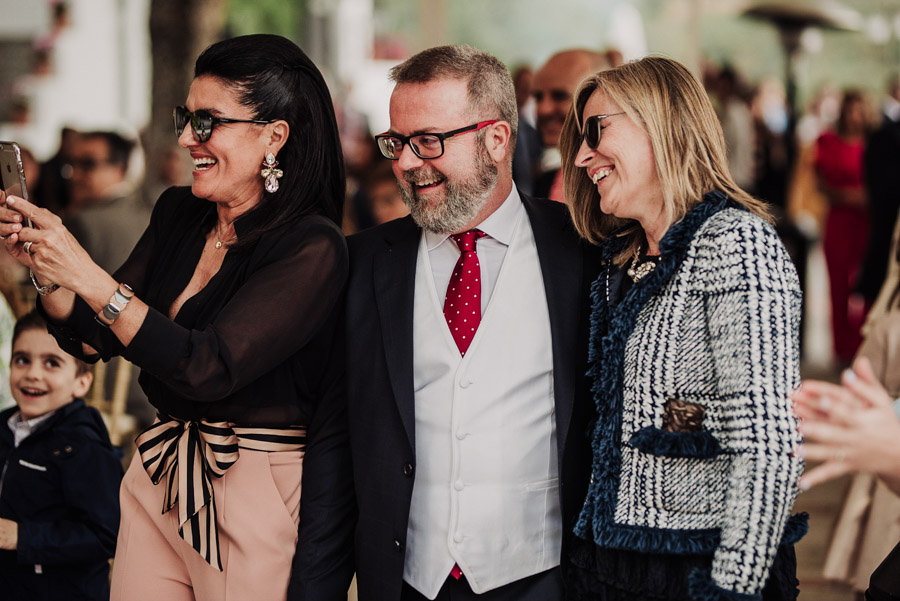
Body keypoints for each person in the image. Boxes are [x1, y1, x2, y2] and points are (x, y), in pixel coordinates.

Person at [0, 34, 351, 601]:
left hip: (252, 481)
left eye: (208, 122)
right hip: (160, 465)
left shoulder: (311, 246)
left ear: (274, 135)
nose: (187, 138)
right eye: (186, 118)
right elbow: (90, 339)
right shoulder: (179, 211)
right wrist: (49, 271)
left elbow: (208, 366)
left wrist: (87, 274)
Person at [338, 44, 600, 601]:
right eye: (397, 143)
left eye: (429, 141)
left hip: (544, 577)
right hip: (408, 580)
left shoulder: (581, 250)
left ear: (497, 139)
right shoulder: (361, 264)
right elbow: (335, 445)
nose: (407, 163)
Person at [561, 56, 806, 601]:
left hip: (695, 569)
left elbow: (768, 445)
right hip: (606, 564)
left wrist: (732, 588)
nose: (581, 157)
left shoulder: (736, 244)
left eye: (597, 130)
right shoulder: (617, 261)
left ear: (660, 122)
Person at [0, 310, 122, 601]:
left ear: (81, 383)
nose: (32, 373)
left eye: (52, 363)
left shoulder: (84, 447)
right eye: (22, 360)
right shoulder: (3, 427)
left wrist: (22, 537)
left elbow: (108, 536)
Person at [814, 90, 871, 364]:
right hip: (839, 220)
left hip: (866, 222)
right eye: (849, 111)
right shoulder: (828, 141)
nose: (853, 117)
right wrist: (846, 195)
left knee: (864, 283)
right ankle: (841, 348)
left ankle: (862, 344)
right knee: (838, 284)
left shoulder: (874, 144)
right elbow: (818, 181)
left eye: (857, 111)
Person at [531, 49, 608, 201]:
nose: (543, 109)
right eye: (538, 97)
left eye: (559, 96)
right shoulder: (543, 184)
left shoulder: (617, 188)